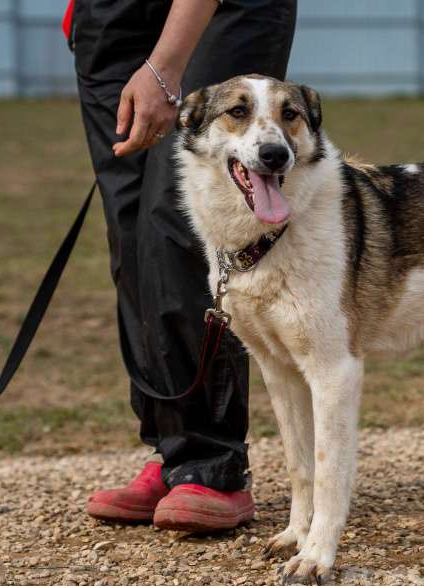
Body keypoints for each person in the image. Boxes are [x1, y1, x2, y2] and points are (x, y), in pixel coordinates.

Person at [68, 0, 296, 531]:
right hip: (111, 17)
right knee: (131, 236)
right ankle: (170, 450)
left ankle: (210, 462)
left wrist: (164, 66)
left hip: (220, 10)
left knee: (177, 224)